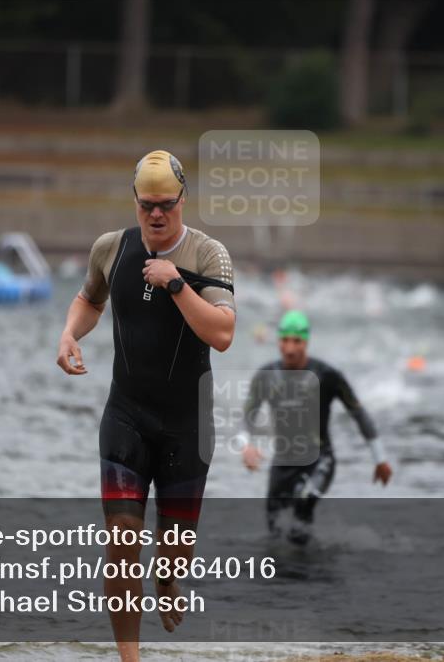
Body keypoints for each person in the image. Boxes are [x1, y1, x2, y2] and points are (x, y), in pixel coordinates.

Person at [56, 150, 236, 662]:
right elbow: (89, 301)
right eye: (147, 205)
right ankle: (130, 658)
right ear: (135, 201)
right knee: (121, 544)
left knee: (173, 553)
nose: (156, 215)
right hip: (126, 418)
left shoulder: (209, 255)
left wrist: (176, 282)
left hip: (187, 426)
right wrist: (70, 333)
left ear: (183, 200)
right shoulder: (111, 248)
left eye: (166, 205)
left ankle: (169, 579)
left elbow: (222, 334)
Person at [239, 310, 392, 545]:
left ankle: (309, 575)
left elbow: (358, 413)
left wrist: (380, 458)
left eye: (296, 341)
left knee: (303, 503)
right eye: (285, 340)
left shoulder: (327, 375)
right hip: (283, 462)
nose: (290, 348)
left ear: (306, 342)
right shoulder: (266, 376)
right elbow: (247, 416)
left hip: (320, 459)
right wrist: (246, 445)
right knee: (275, 533)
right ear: (278, 340)